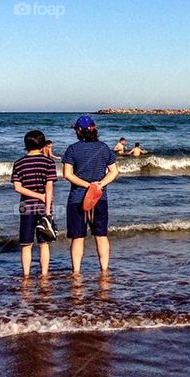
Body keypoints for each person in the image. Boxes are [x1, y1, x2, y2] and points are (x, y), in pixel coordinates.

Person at [61, 116, 119, 274]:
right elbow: (114, 172)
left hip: (77, 199)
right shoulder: (104, 148)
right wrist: (99, 184)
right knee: (101, 235)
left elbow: (67, 174)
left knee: (78, 237)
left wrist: (88, 185)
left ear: (79, 131)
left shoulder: (72, 149)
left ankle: (76, 272)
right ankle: (104, 270)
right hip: (99, 197)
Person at [11, 130, 57, 278]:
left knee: (26, 244)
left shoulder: (18, 163)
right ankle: (44, 276)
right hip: (45, 207)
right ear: (43, 144)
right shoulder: (49, 162)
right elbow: (49, 188)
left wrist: (38, 196)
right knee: (44, 244)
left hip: (26, 206)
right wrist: (47, 208)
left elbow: (18, 188)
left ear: (26, 145)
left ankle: (26, 276)